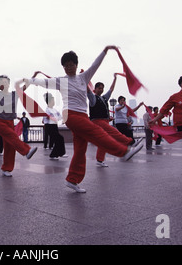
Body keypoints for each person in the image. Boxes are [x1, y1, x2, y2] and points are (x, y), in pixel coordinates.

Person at [20, 47, 144, 193]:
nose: (69, 67)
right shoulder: (61, 81)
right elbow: (43, 82)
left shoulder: (83, 78)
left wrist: (105, 50)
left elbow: (95, 65)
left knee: (80, 149)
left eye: (71, 64)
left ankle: (72, 180)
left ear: (76, 65)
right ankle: (123, 152)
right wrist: (29, 80)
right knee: (97, 132)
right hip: (71, 115)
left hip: (83, 115)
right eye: (66, 65)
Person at [87, 74, 140, 167]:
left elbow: (111, 90)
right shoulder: (92, 98)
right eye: (99, 88)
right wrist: (84, 78)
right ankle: (131, 142)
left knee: (103, 142)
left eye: (102, 88)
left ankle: (99, 160)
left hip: (105, 121)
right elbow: (87, 90)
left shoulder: (103, 98)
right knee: (115, 132)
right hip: (97, 122)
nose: (101, 90)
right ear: (95, 89)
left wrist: (115, 79)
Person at [43, 92, 66, 160]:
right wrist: (56, 118)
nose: (54, 102)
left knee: (59, 139)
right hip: (49, 127)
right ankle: (54, 154)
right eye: (53, 101)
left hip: (54, 126)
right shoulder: (47, 110)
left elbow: (59, 117)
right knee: (59, 139)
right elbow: (50, 118)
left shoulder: (54, 110)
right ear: (49, 102)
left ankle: (60, 153)